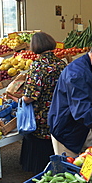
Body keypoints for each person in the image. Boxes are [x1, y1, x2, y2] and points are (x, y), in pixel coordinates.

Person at [19, 32, 66, 173]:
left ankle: (39, 171)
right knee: (52, 144)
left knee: (39, 146)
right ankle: (56, 168)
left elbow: (30, 96)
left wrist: (20, 98)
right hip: (58, 112)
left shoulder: (38, 66)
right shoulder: (61, 64)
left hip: (41, 116)